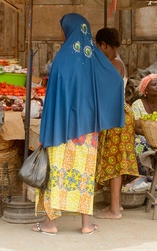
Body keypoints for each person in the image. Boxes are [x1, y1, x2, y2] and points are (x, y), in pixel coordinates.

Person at [32, 13, 125, 235]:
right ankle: (86, 224)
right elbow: (116, 81)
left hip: (61, 128)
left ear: (69, 30)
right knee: (84, 175)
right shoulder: (94, 56)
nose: (61, 33)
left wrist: (45, 132)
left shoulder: (62, 57)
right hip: (87, 131)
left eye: (62, 29)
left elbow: (53, 98)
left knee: (56, 174)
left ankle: (50, 223)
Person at [93, 28, 139, 219]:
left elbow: (106, 93)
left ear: (104, 44)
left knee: (115, 162)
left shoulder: (112, 64)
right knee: (116, 160)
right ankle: (116, 205)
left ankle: (114, 209)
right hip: (120, 113)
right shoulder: (118, 63)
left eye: (99, 47)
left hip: (115, 115)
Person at [131, 74, 157, 174]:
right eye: (154, 85)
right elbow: (136, 128)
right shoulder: (137, 104)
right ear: (146, 89)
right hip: (144, 137)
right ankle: (143, 173)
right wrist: (153, 135)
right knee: (137, 142)